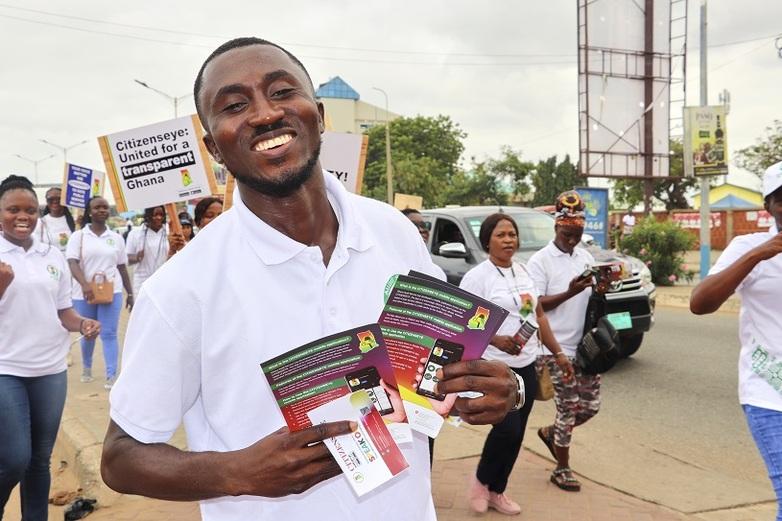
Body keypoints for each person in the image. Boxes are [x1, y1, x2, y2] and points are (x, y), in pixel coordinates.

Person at [100, 37, 521, 521]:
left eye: (282, 92)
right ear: (213, 146)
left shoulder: (393, 232)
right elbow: (120, 457)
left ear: (319, 114)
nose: (264, 114)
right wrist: (237, 473)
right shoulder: (181, 288)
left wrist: (498, 389)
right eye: (235, 105)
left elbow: (438, 372)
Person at [0, 175, 100, 520]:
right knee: (14, 458)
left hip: (50, 370)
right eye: (13, 209)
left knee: (40, 459)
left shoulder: (51, 255)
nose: (22, 216)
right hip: (6, 369)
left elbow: (63, 311)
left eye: (30, 209)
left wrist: (82, 323)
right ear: (0, 213)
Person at [460, 213, 573, 515]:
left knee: (518, 432)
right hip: (495, 367)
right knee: (506, 429)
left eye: (512, 234)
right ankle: (481, 481)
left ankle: (498, 490)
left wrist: (559, 354)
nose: (509, 240)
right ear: (487, 241)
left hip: (527, 364)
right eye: (501, 235)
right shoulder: (477, 277)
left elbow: (539, 317)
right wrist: (497, 340)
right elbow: (467, 326)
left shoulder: (524, 272)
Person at [690, 161, 782, 521]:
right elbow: (700, 303)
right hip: (769, 393)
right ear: (769, 207)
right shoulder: (750, 247)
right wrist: (760, 254)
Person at [527, 190, 598, 492]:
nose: (573, 239)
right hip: (553, 348)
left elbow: (591, 299)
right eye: (568, 233)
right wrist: (570, 291)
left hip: (584, 347)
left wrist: (601, 288)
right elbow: (536, 306)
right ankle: (561, 468)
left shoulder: (586, 256)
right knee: (568, 408)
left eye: (578, 233)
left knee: (590, 407)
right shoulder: (540, 261)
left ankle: (549, 432)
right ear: (557, 227)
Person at [66, 196, 133, 389]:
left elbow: (121, 267)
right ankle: (87, 368)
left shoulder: (116, 238)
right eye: (97, 207)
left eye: (105, 207)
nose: (102, 210)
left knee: (109, 333)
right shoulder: (78, 237)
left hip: (112, 291)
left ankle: (111, 375)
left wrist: (130, 293)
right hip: (83, 292)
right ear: (89, 211)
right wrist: (85, 284)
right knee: (89, 332)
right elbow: (72, 262)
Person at [125, 206, 168, 295]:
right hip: (142, 282)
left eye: (161, 215)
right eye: (155, 215)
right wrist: (137, 257)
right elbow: (126, 258)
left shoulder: (169, 231)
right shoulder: (135, 233)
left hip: (165, 281)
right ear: (148, 216)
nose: (159, 217)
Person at [35, 187, 76, 253]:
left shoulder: (75, 222)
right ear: (46, 201)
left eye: (59, 198)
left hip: (71, 262)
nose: (55, 201)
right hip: (50, 262)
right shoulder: (40, 223)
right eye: (50, 199)